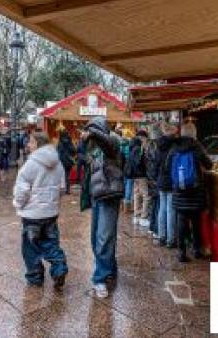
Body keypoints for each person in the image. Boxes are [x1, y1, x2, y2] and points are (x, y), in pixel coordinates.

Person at [13, 132, 68, 289]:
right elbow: (62, 188)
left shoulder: (30, 164)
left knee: (30, 247)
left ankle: (35, 277)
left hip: (32, 214)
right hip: (51, 212)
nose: (28, 145)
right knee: (51, 242)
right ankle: (59, 267)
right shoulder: (58, 163)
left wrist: (18, 204)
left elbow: (22, 191)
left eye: (30, 142)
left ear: (37, 143)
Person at [82, 117, 124, 299]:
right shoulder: (95, 148)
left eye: (92, 130)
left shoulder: (112, 140)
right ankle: (110, 269)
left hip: (109, 196)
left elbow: (106, 143)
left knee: (103, 237)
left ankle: (100, 280)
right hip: (99, 196)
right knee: (97, 237)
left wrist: (92, 132)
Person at [164, 123, 212, 262]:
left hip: (179, 192)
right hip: (196, 191)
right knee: (196, 221)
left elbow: (167, 167)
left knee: (181, 221)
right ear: (194, 134)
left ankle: (181, 252)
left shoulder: (174, 147)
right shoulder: (197, 146)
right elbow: (209, 164)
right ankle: (197, 250)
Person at [155, 122, 178, 248]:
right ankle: (171, 239)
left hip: (161, 180)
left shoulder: (159, 145)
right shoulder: (175, 145)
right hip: (172, 180)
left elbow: (156, 164)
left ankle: (161, 237)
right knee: (170, 210)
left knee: (162, 208)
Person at [127, 129, 149, 227]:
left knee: (136, 195)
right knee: (145, 196)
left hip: (134, 175)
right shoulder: (139, 148)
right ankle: (143, 217)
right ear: (142, 137)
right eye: (145, 138)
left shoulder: (132, 146)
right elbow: (141, 162)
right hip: (141, 175)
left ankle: (136, 216)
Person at [56, 129, 76, 195]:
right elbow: (74, 151)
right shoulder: (70, 142)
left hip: (61, 161)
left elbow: (58, 152)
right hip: (68, 161)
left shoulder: (60, 142)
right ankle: (67, 190)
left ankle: (59, 190)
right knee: (67, 176)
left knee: (59, 176)